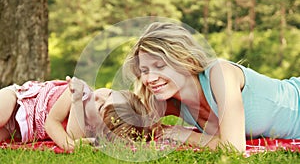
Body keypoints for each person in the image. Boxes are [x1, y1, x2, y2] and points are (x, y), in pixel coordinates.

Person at [123, 21, 300, 152]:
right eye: (144, 70)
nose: (150, 78)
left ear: (186, 60)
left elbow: (234, 150)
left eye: (160, 66)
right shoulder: (168, 101)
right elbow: (123, 120)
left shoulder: (220, 73)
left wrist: (185, 135)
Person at [0, 76, 162, 151]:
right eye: (110, 94)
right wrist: (76, 100)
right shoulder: (78, 91)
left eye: (101, 107)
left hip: (18, 130)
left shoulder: (90, 129)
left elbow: (73, 137)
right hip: (19, 102)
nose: (99, 96)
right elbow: (52, 124)